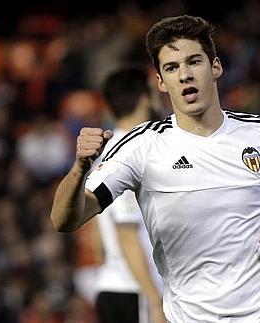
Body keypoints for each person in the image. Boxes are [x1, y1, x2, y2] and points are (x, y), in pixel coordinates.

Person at [50, 15, 260, 323]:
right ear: (161, 83)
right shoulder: (142, 148)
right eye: (172, 68)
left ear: (215, 66)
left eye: (194, 62)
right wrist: (80, 167)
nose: (185, 75)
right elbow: (64, 219)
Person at [92, 66, 165, 323]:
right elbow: (126, 232)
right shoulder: (129, 152)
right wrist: (155, 301)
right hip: (136, 291)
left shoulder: (106, 151)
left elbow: (98, 237)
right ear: (145, 98)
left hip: (118, 284)